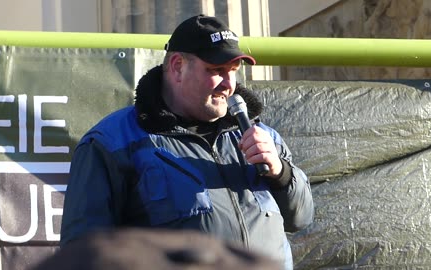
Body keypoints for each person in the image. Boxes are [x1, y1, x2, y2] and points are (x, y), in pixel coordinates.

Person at [60, 14, 314, 269]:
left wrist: (280, 173)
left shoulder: (262, 136)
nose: (228, 85)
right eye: (216, 70)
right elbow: (83, 256)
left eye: (233, 71)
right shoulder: (111, 143)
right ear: (178, 66)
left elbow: (301, 218)